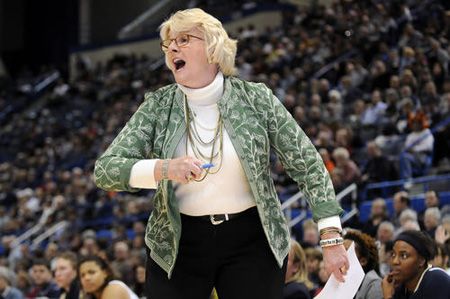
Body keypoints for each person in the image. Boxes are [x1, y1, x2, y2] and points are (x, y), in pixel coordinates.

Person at [94, 8, 348, 299]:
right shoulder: (157, 107)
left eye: (184, 39)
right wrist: (164, 168)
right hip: (178, 243)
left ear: (214, 47)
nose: (172, 48)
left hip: (252, 238)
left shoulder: (256, 98)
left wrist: (331, 237)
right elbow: (105, 170)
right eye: (168, 44)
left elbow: (308, 165)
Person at [381, 230, 450, 299]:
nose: (395, 261)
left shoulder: (436, 279)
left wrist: (388, 297)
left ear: (421, 261)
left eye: (404, 256)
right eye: (393, 254)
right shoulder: (399, 287)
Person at [343, 230, 383, 299]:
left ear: (363, 261)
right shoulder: (344, 279)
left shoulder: (374, 284)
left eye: (346, 251)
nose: (340, 256)